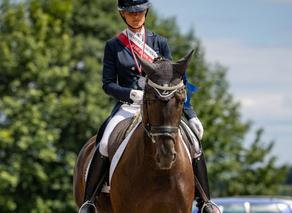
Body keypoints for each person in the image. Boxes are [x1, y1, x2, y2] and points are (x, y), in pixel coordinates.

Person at [79, 0, 217, 212]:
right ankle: (89, 201)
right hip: (129, 106)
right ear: (123, 15)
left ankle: (205, 201)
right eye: (130, 12)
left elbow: (175, 81)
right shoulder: (114, 46)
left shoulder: (159, 42)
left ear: (146, 12)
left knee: (195, 143)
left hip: (160, 106)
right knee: (105, 141)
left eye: (140, 12)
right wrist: (130, 93)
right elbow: (108, 84)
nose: (136, 16)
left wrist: (191, 115)